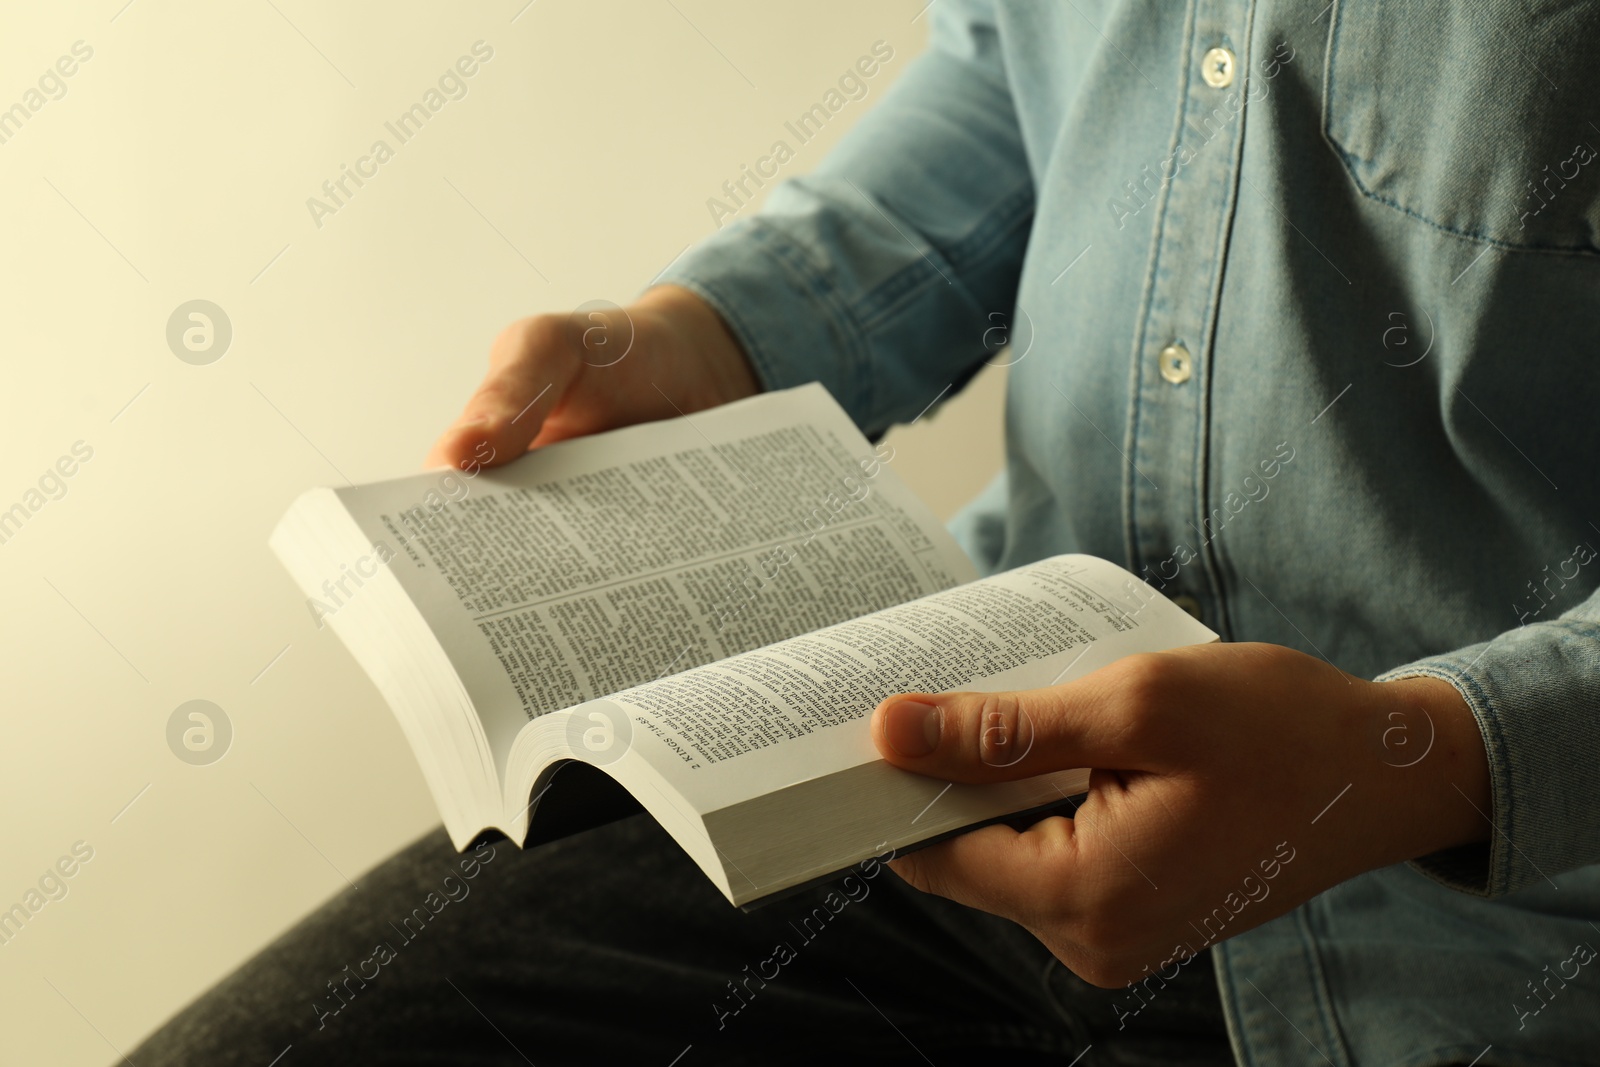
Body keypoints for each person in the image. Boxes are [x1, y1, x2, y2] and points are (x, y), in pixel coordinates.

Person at [133, 1, 1600, 1063]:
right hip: (941, 783)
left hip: (1481, 945)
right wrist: (727, 331)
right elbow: (1031, 70)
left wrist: (1430, 758)